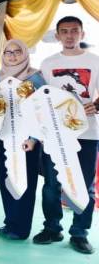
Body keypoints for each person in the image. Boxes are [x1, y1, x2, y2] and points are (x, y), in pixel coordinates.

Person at [34, 16, 99, 255]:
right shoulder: (49, 63)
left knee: (85, 186)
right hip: (54, 134)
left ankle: (79, 233)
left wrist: (97, 105)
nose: (69, 35)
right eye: (64, 31)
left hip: (87, 133)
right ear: (58, 35)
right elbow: (41, 98)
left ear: (82, 34)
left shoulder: (95, 61)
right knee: (52, 184)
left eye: (74, 31)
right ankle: (52, 228)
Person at [0, 39, 45, 240]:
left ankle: (22, 228)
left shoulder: (35, 77)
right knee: (6, 179)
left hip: (27, 141)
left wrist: (34, 138)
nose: (13, 55)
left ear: (25, 53)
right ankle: (10, 221)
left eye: (17, 51)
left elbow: (42, 110)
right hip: (4, 137)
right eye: (8, 52)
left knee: (26, 181)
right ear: (3, 55)